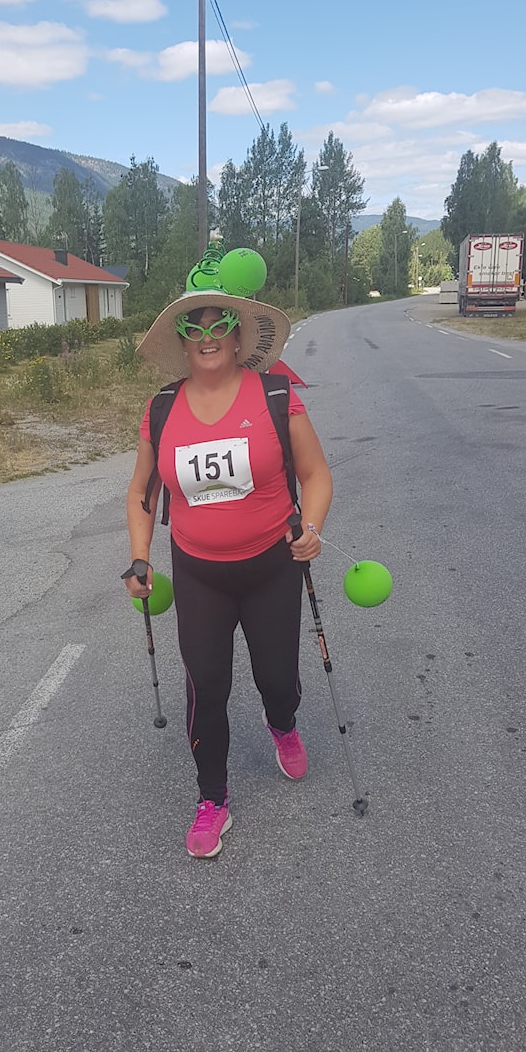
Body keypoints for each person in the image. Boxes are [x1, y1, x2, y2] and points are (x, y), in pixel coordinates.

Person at [124, 284, 333, 859]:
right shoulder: (161, 410)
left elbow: (315, 475)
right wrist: (139, 556)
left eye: (220, 326)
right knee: (207, 686)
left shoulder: (275, 395)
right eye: (195, 328)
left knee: (277, 677)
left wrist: (312, 527)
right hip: (199, 574)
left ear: (239, 338)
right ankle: (212, 797)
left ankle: (282, 722)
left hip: (272, 565)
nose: (208, 337)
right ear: (182, 342)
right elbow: (142, 492)